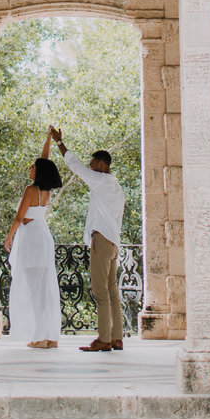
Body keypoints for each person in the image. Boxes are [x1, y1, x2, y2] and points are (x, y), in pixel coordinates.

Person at [50, 124, 126, 353]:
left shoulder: (100, 180)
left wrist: (59, 143)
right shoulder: (117, 188)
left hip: (101, 241)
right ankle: (116, 337)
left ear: (102, 164)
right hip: (113, 241)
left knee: (100, 291)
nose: (90, 166)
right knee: (112, 291)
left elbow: (74, 165)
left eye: (93, 163)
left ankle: (103, 338)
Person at [4, 129, 63, 349]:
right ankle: (50, 336)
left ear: (37, 172)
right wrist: (48, 140)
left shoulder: (31, 189)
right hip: (43, 237)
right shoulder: (45, 190)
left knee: (33, 287)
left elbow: (19, 217)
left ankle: (39, 337)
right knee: (45, 287)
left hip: (31, 239)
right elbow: (45, 161)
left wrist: (8, 238)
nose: (30, 168)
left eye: (32, 166)